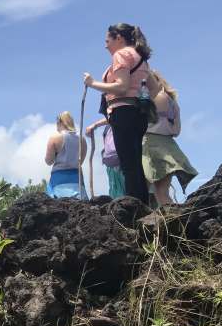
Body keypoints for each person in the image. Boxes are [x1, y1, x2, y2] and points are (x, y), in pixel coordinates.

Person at [83, 23, 160, 205]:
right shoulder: (140, 57)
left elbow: (121, 86)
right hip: (138, 114)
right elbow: (155, 89)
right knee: (135, 162)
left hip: (122, 112)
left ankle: (133, 208)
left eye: (107, 40)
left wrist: (92, 83)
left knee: (128, 164)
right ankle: (143, 206)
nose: (106, 45)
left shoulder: (121, 55)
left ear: (119, 38)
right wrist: (140, 98)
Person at [142, 71, 198, 205]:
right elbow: (177, 131)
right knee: (162, 193)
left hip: (150, 145)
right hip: (169, 146)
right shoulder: (173, 103)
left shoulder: (148, 97)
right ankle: (176, 221)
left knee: (141, 193)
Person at [44, 111, 88, 199]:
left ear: (60, 122)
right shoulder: (82, 139)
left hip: (58, 180)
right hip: (77, 180)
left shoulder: (54, 138)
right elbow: (80, 162)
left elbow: (49, 161)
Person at [86, 119, 126, 199]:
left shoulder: (121, 116)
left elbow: (115, 115)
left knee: (126, 192)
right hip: (112, 163)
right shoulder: (108, 128)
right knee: (115, 193)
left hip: (123, 162)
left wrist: (95, 125)